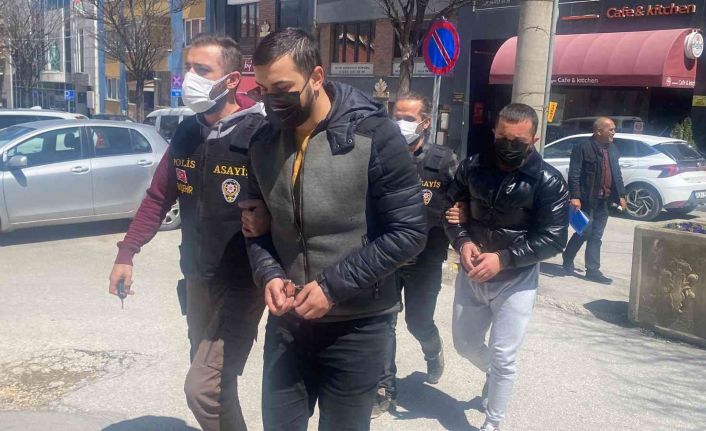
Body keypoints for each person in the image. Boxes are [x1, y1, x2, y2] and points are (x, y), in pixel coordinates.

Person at [243, 28, 427, 431]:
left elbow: (410, 232)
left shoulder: (375, 134)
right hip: (288, 323)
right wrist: (269, 273)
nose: (271, 101)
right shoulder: (262, 142)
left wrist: (331, 288)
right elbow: (255, 227)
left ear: (316, 77)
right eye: (262, 90)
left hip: (358, 326)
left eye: (282, 89)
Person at [107, 34, 268, 431]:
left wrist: (268, 219)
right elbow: (158, 197)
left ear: (231, 80)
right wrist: (127, 252)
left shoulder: (261, 133)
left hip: (243, 282)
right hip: (198, 278)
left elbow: (290, 202)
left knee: (203, 388)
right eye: (188, 68)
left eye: (202, 70)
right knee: (216, 382)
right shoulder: (186, 133)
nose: (189, 78)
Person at [444, 103, 569, 431]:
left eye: (518, 140)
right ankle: (494, 373)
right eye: (503, 137)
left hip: (516, 278)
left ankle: (493, 421)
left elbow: (554, 238)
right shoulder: (472, 167)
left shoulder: (548, 181)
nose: (509, 145)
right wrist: (462, 241)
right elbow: (450, 209)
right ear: (494, 133)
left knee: (504, 356)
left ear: (534, 139)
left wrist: (504, 258)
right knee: (464, 344)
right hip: (472, 272)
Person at [372, 91, 461, 417]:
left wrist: (462, 218)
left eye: (408, 118)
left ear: (425, 122)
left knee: (418, 321)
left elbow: (461, 202)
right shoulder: (380, 154)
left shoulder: (444, 161)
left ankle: (432, 349)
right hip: (387, 254)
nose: (400, 124)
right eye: (396, 117)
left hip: (425, 258)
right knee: (384, 322)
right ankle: (384, 387)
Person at [562, 117, 627, 285]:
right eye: (611, 129)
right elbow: (574, 174)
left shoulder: (613, 149)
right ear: (599, 131)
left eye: (614, 129)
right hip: (586, 200)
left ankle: (593, 271)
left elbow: (617, 175)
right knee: (585, 232)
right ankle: (568, 257)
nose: (614, 132)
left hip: (603, 201)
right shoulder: (582, 148)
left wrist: (621, 195)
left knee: (596, 236)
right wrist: (575, 196)